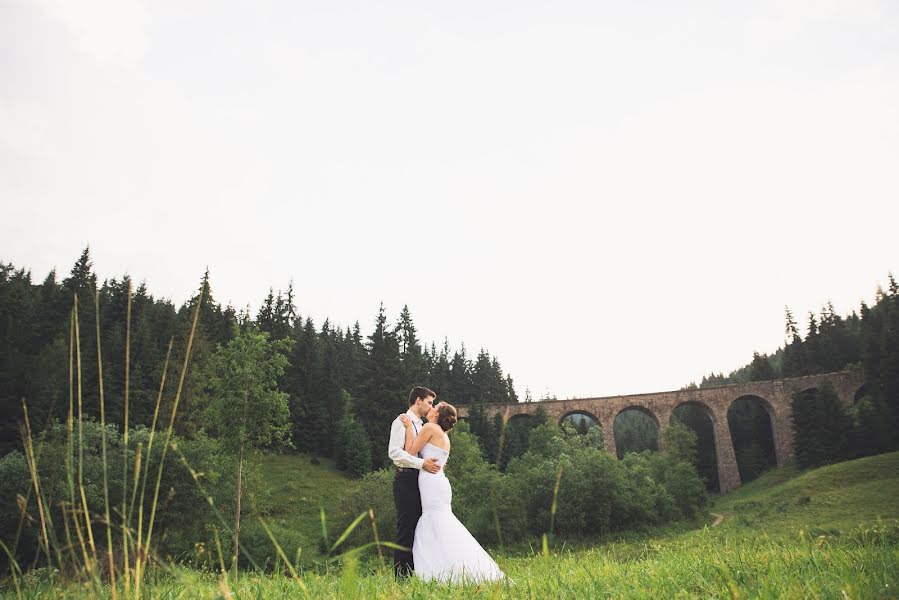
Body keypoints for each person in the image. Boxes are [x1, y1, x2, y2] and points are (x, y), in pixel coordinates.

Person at [398, 402, 505, 583]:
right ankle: (449, 566)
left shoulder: (430, 427)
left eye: (435, 407)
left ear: (437, 414)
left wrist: (409, 427)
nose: (430, 409)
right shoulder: (444, 435)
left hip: (431, 481)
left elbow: (410, 453)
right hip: (439, 482)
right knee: (442, 522)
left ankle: (435, 570)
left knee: (433, 522)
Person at [388, 386, 442, 578]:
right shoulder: (402, 421)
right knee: (406, 527)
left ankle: (415, 573)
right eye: (429, 402)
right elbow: (394, 452)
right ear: (418, 400)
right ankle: (401, 577)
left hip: (420, 481)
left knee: (419, 527)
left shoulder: (420, 425)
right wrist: (422, 464)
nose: (431, 406)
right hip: (405, 479)